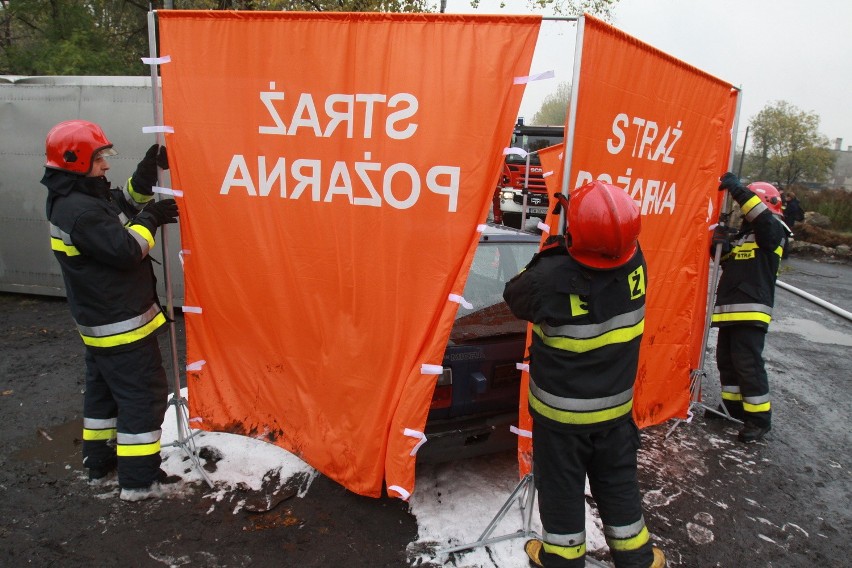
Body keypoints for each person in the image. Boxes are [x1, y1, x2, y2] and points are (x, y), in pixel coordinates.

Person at [503, 181, 665, 568]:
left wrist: (555, 250)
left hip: (561, 419)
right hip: (614, 413)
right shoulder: (635, 261)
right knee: (618, 484)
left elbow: (515, 296)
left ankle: (561, 560)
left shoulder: (549, 277)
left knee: (562, 492)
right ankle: (639, 560)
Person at [40, 119, 180, 501]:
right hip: (121, 325)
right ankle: (139, 481)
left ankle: (99, 463)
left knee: (103, 396)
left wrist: (147, 172)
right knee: (143, 396)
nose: (105, 165)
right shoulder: (81, 211)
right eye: (99, 157)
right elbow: (125, 250)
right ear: (75, 160)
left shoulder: (77, 196)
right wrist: (153, 217)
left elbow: (124, 204)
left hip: (100, 323)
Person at [711, 173, 789, 443]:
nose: (743, 214)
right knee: (727, 362)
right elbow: (729, 262)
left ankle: (758, 419)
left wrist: (738, 190)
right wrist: (719, 246)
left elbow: (760, 215)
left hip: (751, 311)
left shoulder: (772, 231)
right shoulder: (748, 237)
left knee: (748, 365)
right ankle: (731, 407)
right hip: (731, 311)